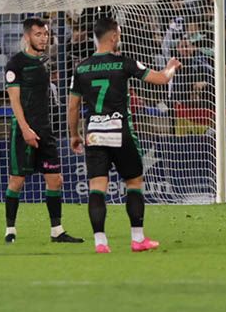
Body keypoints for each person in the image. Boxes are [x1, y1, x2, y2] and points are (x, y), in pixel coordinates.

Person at [67, 16, 180, 254]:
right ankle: (137, 239)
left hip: (94, 133)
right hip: (120, 130)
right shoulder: (123, 63)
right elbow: (160, 79)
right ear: (114, 36)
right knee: (134, 183)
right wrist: (170, 67)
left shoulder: (81, 67)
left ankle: (100, 243)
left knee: (97, 187)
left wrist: (74, 134)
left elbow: (72, 107)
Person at [3, 18, 83, 245]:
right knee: (16, 181)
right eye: (38, 34)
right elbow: (14, 101)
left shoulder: (46, 61)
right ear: (27, 37)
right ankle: (10, 229)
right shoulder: (15, 64)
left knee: (55, 180)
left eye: (46, 34)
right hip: (23, 131)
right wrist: (25, 129)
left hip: (45, 130)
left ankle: (57, 231)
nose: (43, 38)